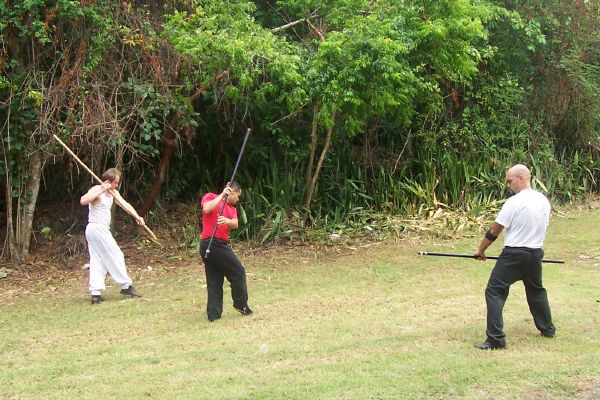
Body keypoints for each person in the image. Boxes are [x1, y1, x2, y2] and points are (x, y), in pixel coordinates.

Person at [473, 164, 556, 350]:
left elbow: (495, 230)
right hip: (535, 253)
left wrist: (481, 250)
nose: (508, 185)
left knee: (494, 291)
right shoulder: (543, 201)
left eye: (510, 181)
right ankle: (547, 329)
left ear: (521, 178)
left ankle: (495, 339)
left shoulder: (514, 202)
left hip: (514, 254)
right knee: (536, 291)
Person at [80, 168, 145, 304]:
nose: (117, 185)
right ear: (109, 181)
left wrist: (137, 216)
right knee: (116, 254)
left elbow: (125, 204)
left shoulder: (113, 192)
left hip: (102, 229)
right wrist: (101, 189)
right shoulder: (97, 189)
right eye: (116, 182)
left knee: (98, 259)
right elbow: (83, 201)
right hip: (95, 228)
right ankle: (126, 285)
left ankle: (95, 294)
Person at [199, 182, 252, 321]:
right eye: (238, 196)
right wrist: (222, 195)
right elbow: (206, 209)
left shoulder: (231, 208)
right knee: (238, 271)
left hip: (220, 244)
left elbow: (235, 223)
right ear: (232, 191)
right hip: (210, 243)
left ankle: (214, 315)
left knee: (215, 279)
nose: (238, 199)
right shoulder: (210, 197)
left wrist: (227, 221)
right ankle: (241, 304)